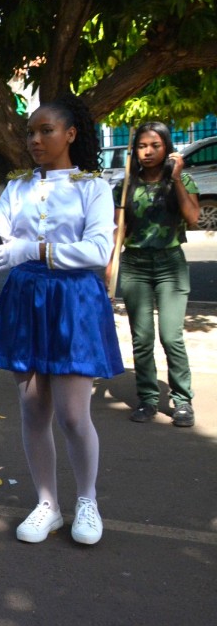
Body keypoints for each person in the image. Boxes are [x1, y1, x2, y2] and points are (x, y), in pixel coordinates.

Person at [0, 94, 123, 547]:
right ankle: (47, 504)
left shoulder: (92, 186)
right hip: (25, 298)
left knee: (75, 415)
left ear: (71, 134)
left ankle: (88, 501)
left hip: (73, 300)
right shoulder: (18, 187)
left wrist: (35, 250)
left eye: (46, 131)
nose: (35, 139)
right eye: (30, 133)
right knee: (33, 409)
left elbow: (99, 251)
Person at [111, 121, 200, 427]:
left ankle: (182, 400)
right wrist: (109, 268)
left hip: (169, 265)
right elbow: (117, 232)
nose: (147, 152)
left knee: (171, 336)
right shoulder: (124, 185)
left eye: (155, 146)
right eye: (141, 146)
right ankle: (148, 399)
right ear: (134, 150)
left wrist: (175, 178)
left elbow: (194, 218)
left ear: (167, 147)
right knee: (142, 338)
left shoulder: (182, 180)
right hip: (135, 265)